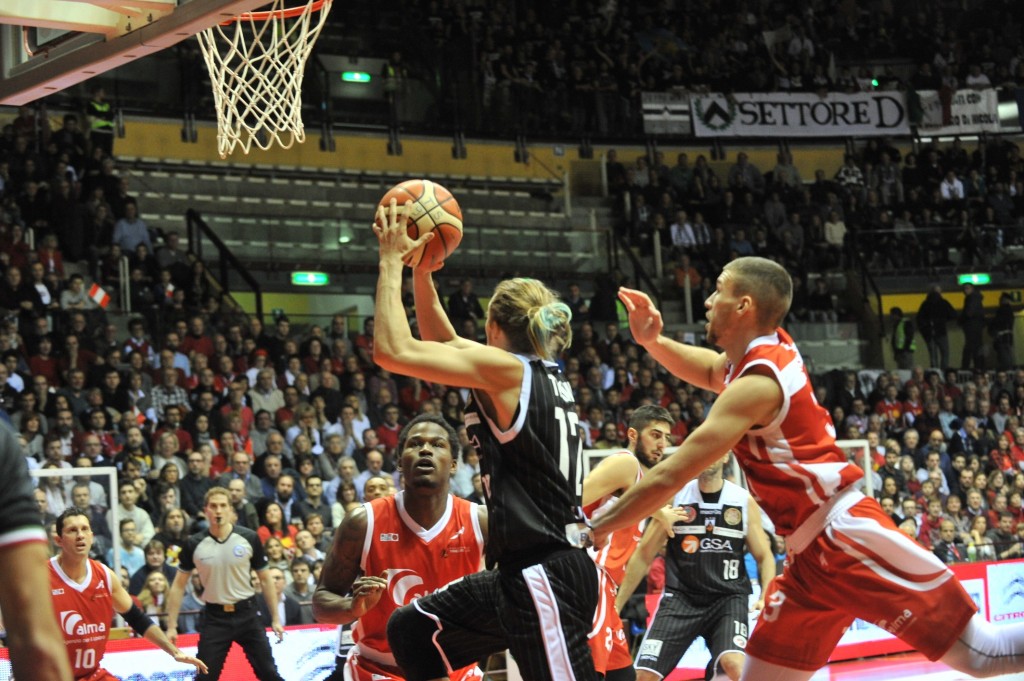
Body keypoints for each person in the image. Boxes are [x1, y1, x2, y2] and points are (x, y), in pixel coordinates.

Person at [592, 256, 1024, 679]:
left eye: (718, 290)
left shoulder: (756, 385)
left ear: (744, 305)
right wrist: (652, 341)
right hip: (807, 558)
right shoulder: (764, 351)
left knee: (983, 655)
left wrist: (593, 529)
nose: (707, 300)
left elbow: (670, 475)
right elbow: (709, 368)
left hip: (842, 536)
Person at [371, 200, 598, 680]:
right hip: (522, 572)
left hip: (546, 572)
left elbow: (393, 350)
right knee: (415, 631)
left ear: (494, 328)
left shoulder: (506, 372)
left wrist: (391, 260)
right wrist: (422, 269)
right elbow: (444, 341)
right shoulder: (532, 370)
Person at [313, 414, 488, 680]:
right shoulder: (363, 522)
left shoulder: (482, 522)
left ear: (453, 465)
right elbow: (321, 603)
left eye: (437, 444)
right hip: (380, 668)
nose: (426, 449)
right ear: (399, 462)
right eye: (415, 444)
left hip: (456, 668)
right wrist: (352, 607)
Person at [619, 455, 774, 681]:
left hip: (728, 598)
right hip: (682, 598)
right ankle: (713, 671)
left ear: (725, 456)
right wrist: (616, 604)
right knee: (643, 676)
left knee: (734, 666)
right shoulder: (676, 497)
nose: (707, 455)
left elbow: (765, 557)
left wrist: (766, 594)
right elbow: (644, 553)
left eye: (714, 450)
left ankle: (716, 670)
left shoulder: (741, 500)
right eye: (704, 449)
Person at [50, 508, 208, 680]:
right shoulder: (42, 577)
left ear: (92, 536)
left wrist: (174, 652)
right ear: (59, 540)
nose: (80, 535)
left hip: (91, 674)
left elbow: (137, 619)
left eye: (84, 529)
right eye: (72, 530)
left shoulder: (105, 576)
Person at [581, 405, 679, 681]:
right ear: (633, 434)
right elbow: (570, 502)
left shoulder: (642, 482)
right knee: (590, 673)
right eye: (655, 435)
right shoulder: (625, 463)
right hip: (590, 578)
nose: (662, 444)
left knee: (622, 675)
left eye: (667, 438)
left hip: (608, 588)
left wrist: (660, 512)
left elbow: (638, 498)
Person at [164, 487, 286, 681]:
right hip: (215, 617)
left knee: (269, 673)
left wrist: (276, 618)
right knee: (204, 677)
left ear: (231, 510)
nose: (218, 511)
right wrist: (171, 626)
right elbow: (178, 585)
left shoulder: (249, 538)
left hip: (248, 614)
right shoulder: (194, 543)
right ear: (205, 510)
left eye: (223, 506)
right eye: (213, 506)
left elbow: (265, 579)